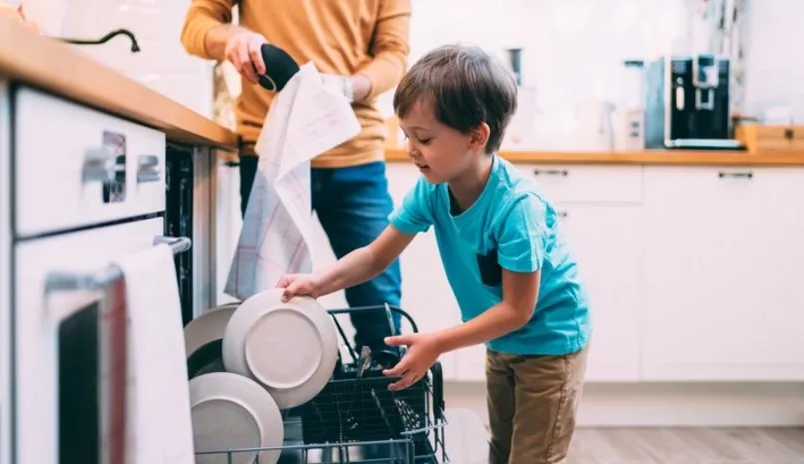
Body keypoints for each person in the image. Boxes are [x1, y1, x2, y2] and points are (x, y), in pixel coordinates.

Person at [277, 43, 593, 464]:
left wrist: (437, 343)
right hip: (501, 342)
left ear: (476, 137)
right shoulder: (433, 188)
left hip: (550, 342)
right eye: (406, 134)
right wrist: (317, 282)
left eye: (423, 138)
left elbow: (519, 309)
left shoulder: (519, 209)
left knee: (533, 456)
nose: (410, 149)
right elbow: (374, 257)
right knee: (501, 450)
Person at [180, 0, 412, 353]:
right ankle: (281, 407)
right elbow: (195, 26)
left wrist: (350, 86)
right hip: (273, 151)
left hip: (354, 151)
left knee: (378, 306)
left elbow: (394, 54)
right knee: (272, 301)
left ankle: (381, 399)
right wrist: (233, 37)